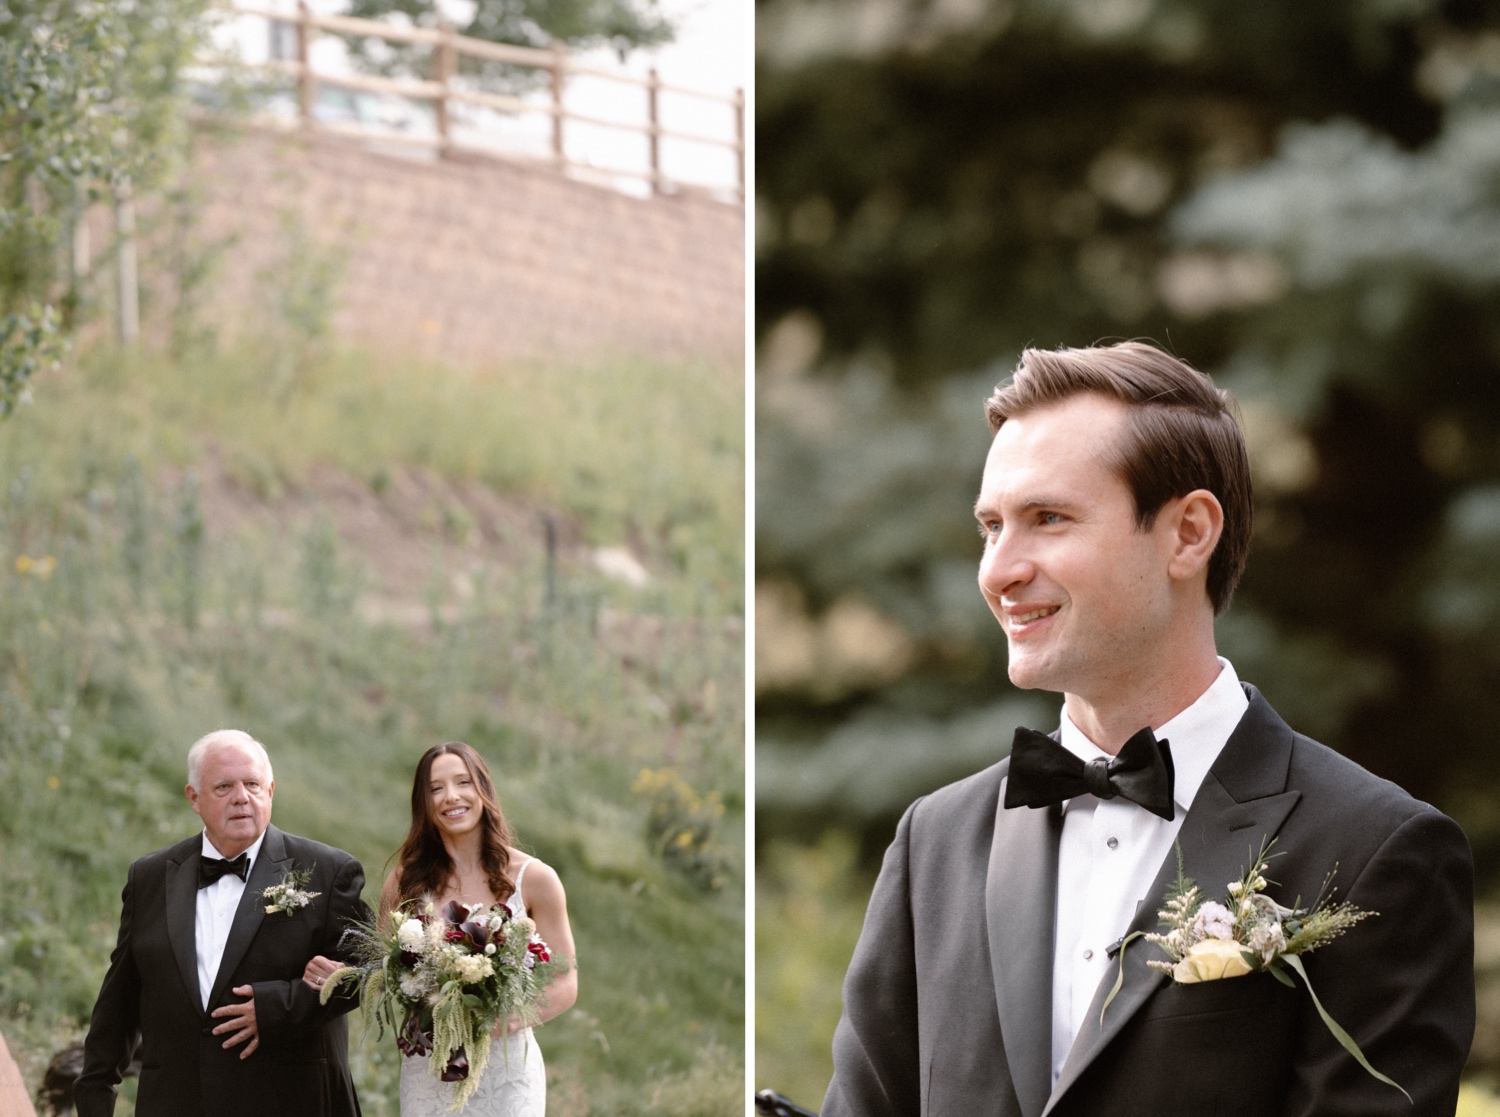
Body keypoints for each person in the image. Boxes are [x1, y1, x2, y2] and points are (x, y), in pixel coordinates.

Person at [822, 342, 1475, 1117]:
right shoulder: (933, 844)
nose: (997, 570)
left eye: (1047, 519)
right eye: (991, 526)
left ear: (1188, 533)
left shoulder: (1378, 851)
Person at [76, 729, 368, 1117]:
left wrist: (278, 1007)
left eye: (252, 784)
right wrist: (95, 1097)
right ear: (194, 798)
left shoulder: (328, 871)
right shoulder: (149, 877)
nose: (241, 797)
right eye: (224, 787)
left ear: (271, 790)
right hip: (176, 1102)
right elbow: (119, 1000)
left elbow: (369, 972)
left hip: (289, 1099)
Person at [302, 741, 578, 1116]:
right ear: (424, 803)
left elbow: (565, 982)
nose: (451, 797)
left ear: (483, 789)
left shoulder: (535, 878)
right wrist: (347, 976)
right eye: (435, 788)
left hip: (507, 1071)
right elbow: (385, 972)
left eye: (463, 782)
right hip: (430, 1067)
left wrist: (499, 1022)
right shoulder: (404, 882)